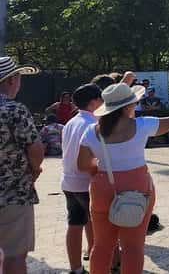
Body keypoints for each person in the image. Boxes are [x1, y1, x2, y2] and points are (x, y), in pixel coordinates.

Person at [77, 83, 169, 274]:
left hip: (102, 189)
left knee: (101, 245)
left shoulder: (92, 131)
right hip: (136, 189)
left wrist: (100, 171)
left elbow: (83, 165)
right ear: (127, 106)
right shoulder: (142, 125)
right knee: (132, 246)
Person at [0, 56, 42, 274]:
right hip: (13, 192)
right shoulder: (15, 110)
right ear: (11, 80)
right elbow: (35, 149)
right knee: (14, 254)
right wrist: (35, 169)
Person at [61, 84, 103, 274]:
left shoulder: (71, 122)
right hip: (87, 184)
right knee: (98, 229)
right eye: (101, 100)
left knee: (74, 225)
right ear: (93, 102)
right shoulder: (92, 125)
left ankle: (76, 269)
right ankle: (99, 267)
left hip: (69, 182)